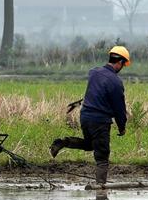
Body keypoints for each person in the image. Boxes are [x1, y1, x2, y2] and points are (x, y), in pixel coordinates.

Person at [50, 45, 131, 188]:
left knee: (90, 145)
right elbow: (119, 109)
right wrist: (122, 127)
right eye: (124, 64)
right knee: (102, 155)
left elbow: (95, 93)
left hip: (85, 116)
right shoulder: (116, 82)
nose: (122, 67)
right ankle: (100, 188)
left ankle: (63, 142)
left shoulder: (94, 72)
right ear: (120, 62)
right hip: (100, 121)